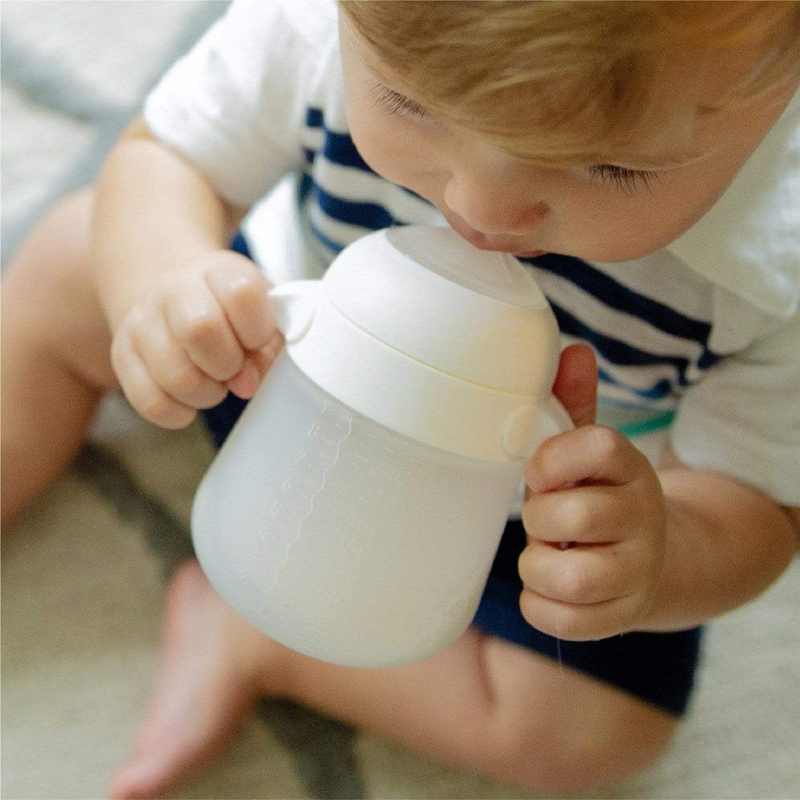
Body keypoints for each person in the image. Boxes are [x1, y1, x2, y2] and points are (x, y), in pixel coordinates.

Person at [3, 1, 799, 796]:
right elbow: (167, 158)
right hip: (263, 353)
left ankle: (262, 643)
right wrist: (164, 284)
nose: (480, 210)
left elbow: (760, 507)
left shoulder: (779, 262)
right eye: (411, 104)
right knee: (74, 261)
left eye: (611, 168)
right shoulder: (318, 29)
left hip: (516, 519)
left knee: (595, 731)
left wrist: (653, 555)